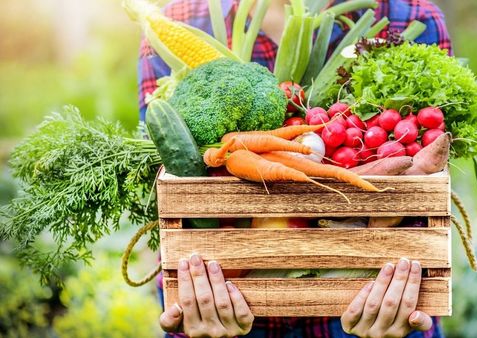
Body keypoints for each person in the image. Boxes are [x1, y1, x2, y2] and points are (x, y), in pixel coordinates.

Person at [138, 1, 452, 337]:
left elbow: (429, 191)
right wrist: (193, 293)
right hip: (224, 303)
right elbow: (171, 177)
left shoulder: (414, 19)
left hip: (366, 305)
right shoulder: (176, 21)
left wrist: (404, 277)